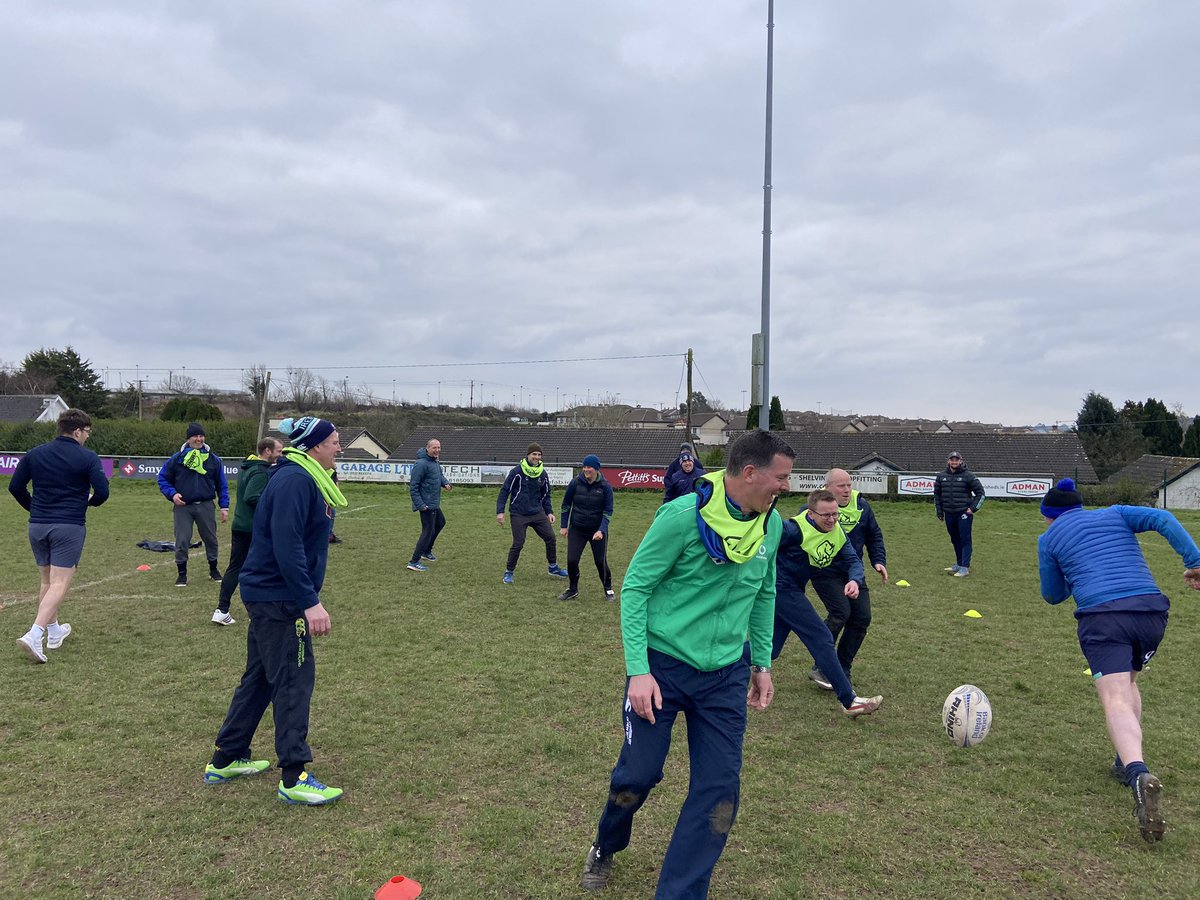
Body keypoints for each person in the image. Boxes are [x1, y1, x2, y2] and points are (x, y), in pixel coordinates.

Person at [581, 430, 795, 897]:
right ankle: (606, 843)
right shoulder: (681, 517)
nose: (786, 487)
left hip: (725, 675)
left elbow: (764, 592)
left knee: (718, 792)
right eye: (781, 478)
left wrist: (761, 663)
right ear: (751, 472)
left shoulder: (771, 525)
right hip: (662, 668)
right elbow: (635, 588)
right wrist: (638, 669)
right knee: (639, 775)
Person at [1038, 478, 1200, 843]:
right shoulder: (1117, 513)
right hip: (1151, 611)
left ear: (1049, 516)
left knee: (1114, 696)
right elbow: (1165, 520)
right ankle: (1122, 759)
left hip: (1102, 617)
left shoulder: (1048, 538)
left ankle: (1138, 774)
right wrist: (1196, 562)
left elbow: (1051, 595)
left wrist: (1069, 573)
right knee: (1128, 681)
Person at [204, 416, 348, 805]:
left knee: (261, 678)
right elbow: (287, 547)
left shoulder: (303, 477)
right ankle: (294, 774)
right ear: (315, 445)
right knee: (294, 680)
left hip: (270, 595)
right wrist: (309, 602)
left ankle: (227, 755)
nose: (340, 447)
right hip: (279, 598)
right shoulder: (294, 481)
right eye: (335, 441)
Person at [770, 489, 883, 716]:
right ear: (811, 514)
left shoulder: (836, 531)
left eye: (835, 514)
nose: (832, 519)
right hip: (780, 589)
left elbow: (853, 559)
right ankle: (849, 701)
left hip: (794, 589)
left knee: (769, 650)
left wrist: (853, 579)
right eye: (826, 515)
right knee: (821, 636)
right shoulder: (792, 529)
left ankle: (718, 665)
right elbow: (759, 542)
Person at [10, 409, 109, 664]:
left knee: (47, 581)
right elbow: (103, 492)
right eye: (87, 432)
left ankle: (54, 632)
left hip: (38, 525)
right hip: (68, 526)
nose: (87, 436)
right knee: (60, 583)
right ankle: (35, 633)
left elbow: (15, 487)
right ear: (77, 431)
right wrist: (89, 502)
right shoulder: (87, 457)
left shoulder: (34, 453)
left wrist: (34, 508)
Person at [810, 468, 888, 685]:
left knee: (862, 618)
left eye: (849, 485)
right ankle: (822, 666)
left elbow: (874, 535)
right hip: (825, 571)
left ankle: (842, 668)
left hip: (854, 571)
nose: (846, 490)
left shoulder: (861, 506)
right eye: (841, 486)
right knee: (840, 613)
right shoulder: (813, 509)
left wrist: (878, 560)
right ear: (827, 488)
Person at [212, 437, 283, 626]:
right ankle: (247, 610)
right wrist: (272, 506)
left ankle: (223, 610)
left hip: (241, 525)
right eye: (278, 451)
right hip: (252, 527)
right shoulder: (260, 471)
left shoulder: (248, 466)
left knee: (236, 567)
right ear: (267, 451)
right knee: (257, 569)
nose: (280, 455)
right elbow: (251, 496)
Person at [158, 422, 230, 587]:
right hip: (183, 507)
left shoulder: (213, 459)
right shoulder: (177, 459)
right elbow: (163, 479)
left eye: (201, 436)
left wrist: (224, 506)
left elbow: (222, 484)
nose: (199, 439)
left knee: (211, 539)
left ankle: (213, 570)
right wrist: (172, 494)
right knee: (182, 540)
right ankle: (181, 574)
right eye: (195, 436)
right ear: (188, 439)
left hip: (206, 505)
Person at [496, 442, 568, 584]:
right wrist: (500, 511)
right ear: (528, 455)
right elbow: (505, 491)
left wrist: (549, 512)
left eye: (539, 455)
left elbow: (546, 495)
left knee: (551, 538)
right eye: (534, 454)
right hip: (518, 513)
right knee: (518, 543)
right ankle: (509, 572)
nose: (536, 457)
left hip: (537, 512)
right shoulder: (517, 472)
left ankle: (553, 567)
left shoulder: (543, 473)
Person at [558, 454, 614, 601]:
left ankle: (608, 589)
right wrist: (564, 526)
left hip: (597, 531)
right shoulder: (575, 483)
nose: (586, 469)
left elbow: (608, 511)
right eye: (584, 466)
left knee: (600, 561)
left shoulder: (605, 487)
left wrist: (601, 530)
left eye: (589, 467)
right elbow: (566, 505)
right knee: (571, 560)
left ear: (596, 468)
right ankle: (573, 589)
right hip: (577, 529)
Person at [933, 450, 984, 577]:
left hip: (964, 513)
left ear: (961, 461)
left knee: (965, 539)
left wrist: (972, 509)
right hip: (949, 513)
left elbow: (981, 493)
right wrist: (939, 511)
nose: (954, 462)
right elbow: (937, 495)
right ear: (948, 461)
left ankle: (965, 567)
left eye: (957, 460)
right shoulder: (941, 476)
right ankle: (959, 563)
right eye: (952, 459)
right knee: (955, 539)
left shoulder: (969, 476)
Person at [407, 438, 451, 572]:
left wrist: (446, 483)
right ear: (428, 448)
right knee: (427, 531)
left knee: (440, 523)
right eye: (434, 448)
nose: (437, 450)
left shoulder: (435, 462)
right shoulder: (421, 464)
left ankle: (426, 551)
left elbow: (438, 476)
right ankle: (414, 561)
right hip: (426, 504)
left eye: (439, 447)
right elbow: (413, 486)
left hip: (434, 503)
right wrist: (420, 504)